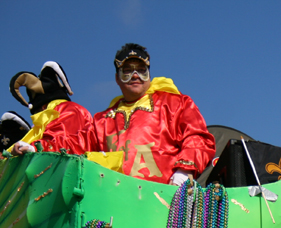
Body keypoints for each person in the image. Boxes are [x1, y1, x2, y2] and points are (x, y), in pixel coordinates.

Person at [94, 43, 215, 185]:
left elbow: (198, 138)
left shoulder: (175, 104)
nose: (135, 76)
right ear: (117, 78)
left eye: (141, 70)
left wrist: (183, 172)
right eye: (127, 71)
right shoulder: (101, 121)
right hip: (114, 199)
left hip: (164, 198)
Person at [8, 61, 98, 156]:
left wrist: (35, 147)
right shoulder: (67, 109)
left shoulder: (67, 109)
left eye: (37, 113)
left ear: (43, 107)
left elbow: (68, 145)